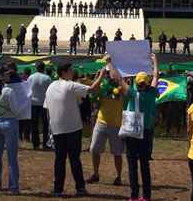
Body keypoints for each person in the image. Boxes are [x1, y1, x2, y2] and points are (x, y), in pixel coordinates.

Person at [44, 62, 106, 197]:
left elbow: (47, 109)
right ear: (64, 72)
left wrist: (51, 127)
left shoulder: (51, 86)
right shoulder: (70, 85)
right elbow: (91, 89)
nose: (73, 72)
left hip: (56, 129)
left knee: (59, 160)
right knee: (74, 160)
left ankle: (58, 189)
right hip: (72, 128)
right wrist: (101, 76)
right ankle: (80, 188)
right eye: (71, 70)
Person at [115, 53, 160, 201]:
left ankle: (134, 196)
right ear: (146, 83)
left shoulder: (133, 94)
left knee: (132, 165)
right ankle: (146, 197)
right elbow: (155, 77)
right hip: (146, 132)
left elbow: (119, 79)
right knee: (145, 166)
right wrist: (155, 61)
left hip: (132, 132)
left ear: (137, 83)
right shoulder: (152, 93)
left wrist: (110, 64)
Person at [88, 57, 126, 186]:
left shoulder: (122, 88)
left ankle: (119, 177)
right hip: (101, 122)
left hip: (116, 125)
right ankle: (96, 174)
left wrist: (112, 65)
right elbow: (92, 92)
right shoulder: (103, 85)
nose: (110, 76)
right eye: (109, 73)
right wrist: (99, 76)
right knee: (94, 150)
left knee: (117, 153)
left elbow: (122, 86)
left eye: (111, 73)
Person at [29, 61, 52, 150]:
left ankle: (35, 143)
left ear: (36, 68)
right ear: (44, 68)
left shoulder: (31, 77)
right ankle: (45, 143)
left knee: (34, 124)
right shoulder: (47, 78)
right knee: (45, 124)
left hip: (33, 103)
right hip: (44, 103)